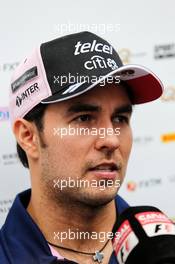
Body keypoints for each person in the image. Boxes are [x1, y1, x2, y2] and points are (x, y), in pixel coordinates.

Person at [0, 31, 163, 264]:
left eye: (120, 119)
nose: (111, 140)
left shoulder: (161, 248)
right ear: (28, 136)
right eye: (84, 118)